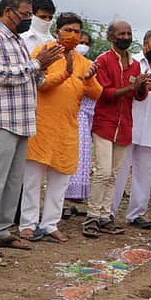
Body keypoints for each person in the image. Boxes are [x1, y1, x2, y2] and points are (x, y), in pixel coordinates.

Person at [0, 0, 62, 250]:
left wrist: (48, 67)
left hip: (23, 120)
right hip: (2, 118)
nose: (28, 19)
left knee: (13, 181)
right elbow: (1, 75)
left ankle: (0, 230)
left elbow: (33, 78)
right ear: (8, 11)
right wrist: (37, 64)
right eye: (24, 14)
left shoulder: (18, 42)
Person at [19, 13, 102, 242]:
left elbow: (96, 94)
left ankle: (50, 224)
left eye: (77, 31)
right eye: (68, 30)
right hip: (41, 126)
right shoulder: (43, 52)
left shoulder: (85, 63)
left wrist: (89, 79)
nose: (73, 35)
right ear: (57, 31)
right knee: (33, 181)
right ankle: (27, 224)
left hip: (67, 129)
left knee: (60, 181)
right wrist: (65, 72)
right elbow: (40, 85)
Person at [83, 21, 151, 239]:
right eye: (122, 33)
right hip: (105, 123)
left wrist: (142, 86)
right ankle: (92, 217)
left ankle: (105, 217)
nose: (126, 37)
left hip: (124, 125)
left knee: (113, 174)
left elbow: (138, 97)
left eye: (129, 33)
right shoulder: (103, 60)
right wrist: (133, 86)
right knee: (103, 172)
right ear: (111, 37)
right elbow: (105, 93)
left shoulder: (135, 64)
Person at [111, 30, 151, 229]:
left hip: (150, 129)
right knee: (119, 171)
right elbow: (124, 91)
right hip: (129, 125)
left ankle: (136, 214)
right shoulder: (132, 63)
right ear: (146, 45)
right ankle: (109, 212)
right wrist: (142, 86)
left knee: (144, 174)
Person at [64, 31, 96, 207]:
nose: (83, 46)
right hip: (67, 112)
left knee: (82, 153)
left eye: (86, 43)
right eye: (80, 42)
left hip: (84, 115)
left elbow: (95, 91)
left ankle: (77, 192)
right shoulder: (63, 61)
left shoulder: (90, 65)